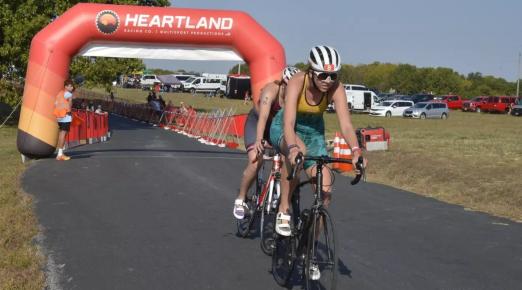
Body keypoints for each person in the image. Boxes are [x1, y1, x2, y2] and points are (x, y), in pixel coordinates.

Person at [269, 46, 367, 236]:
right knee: (298, 154)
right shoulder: (298, 81)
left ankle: (308, 251)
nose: (328, 81)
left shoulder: (336, 88)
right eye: (323, 75)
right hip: (286, 127)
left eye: (333, 75)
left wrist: (356, 151)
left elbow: (346, 125)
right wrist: (292, 148)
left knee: (326, 192)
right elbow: (288, 122)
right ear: (311, 72)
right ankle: (283, 209)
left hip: (314, 133)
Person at [233, 66, 300, 219]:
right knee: (256, 160)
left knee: (287, 160)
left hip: (278, 129)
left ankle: (283, 201)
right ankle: (241, 198)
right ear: (283, 83)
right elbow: (263, 118)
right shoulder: (271, 90)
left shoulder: (296, 98)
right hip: (257, 124)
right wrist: (258, 140)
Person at [54, 79, 75, 161]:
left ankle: (60, 153)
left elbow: (55, 104)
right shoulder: (69, 94)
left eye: (72, 86)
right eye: (69, 86)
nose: (71, 87)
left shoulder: (60, 93)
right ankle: (59, 154)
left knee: (61, 133)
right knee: (63, 133)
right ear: (65, 86)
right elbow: (69, 105)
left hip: (59, 116)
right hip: (65, 116)